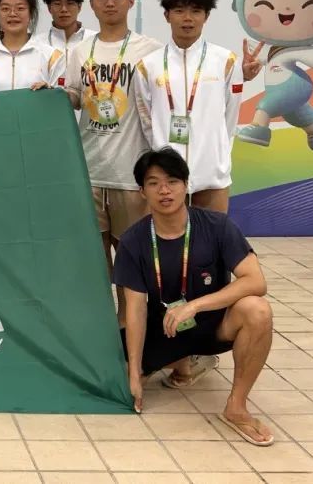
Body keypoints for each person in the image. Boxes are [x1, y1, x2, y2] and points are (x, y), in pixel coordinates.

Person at [116, 149, 274, 446]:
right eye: (153, 183)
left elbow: (256, 281)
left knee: (258, 310)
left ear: (186, 185)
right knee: (118, 382)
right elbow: (135, 311)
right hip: (164, 329)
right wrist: (134, 374)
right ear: (142, 192)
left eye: (172, 181)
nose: (164, 190)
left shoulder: (217, 226)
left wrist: (195, 306)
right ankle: (182, 365)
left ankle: (236, 407)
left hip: (213, 325)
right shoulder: (133, 241)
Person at [63, 0, 162, 323]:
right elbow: (75, 97)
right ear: (91, 4)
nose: (109, 3)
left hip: (131, 171)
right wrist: (53, 95)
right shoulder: (79, 51)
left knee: (131, 255)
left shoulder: (150, 51)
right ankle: (103, 326)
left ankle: (129, 324)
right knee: (94, 256)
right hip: (89, 169)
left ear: (131, 0)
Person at [135, 0, 243, 213]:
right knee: (169, 235)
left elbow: (231, 116)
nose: (187, 18)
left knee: (214, 234)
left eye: (196, 11)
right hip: (167, 175)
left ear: (206, 16)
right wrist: (161, 149)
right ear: (167, 15)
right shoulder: (148, 65)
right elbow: (146, 119)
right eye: (179, 11)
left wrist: (218, 153)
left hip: (212, 172)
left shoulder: (226, 61)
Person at [33, 0, 97, 67]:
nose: (64, 9)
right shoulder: (36, 43)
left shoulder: (95, 40)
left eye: (70, 3)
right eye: (57, 4)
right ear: (49, 8)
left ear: (79, 7)